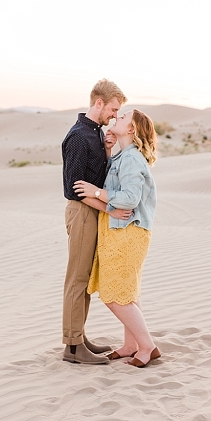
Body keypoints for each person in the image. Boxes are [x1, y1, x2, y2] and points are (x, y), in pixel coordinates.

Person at [73, 109, 160, 368]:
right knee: (127, 292)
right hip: (120, 231)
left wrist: (96, 192)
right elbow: (118, 184)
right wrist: (110, 152)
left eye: (122, 118)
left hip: (128, 232)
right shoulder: (124, 156)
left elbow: (130, 198)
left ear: (132, 129)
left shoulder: (132, 159)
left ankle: (148, 346)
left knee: (114, 295)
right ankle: (130, 345)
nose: (115, 119)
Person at [61, 79, 131, 364]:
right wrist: (109, 209)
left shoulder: (96, 134)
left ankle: (79, 336)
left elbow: (96, 178)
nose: (115, 115)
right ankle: (73, 347)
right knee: (77, 278)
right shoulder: (79, 136)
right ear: (98, 103)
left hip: (94, 212)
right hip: (82, 213)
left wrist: (107, 149)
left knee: (86, 278)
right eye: (113, 109)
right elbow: (73, 189)